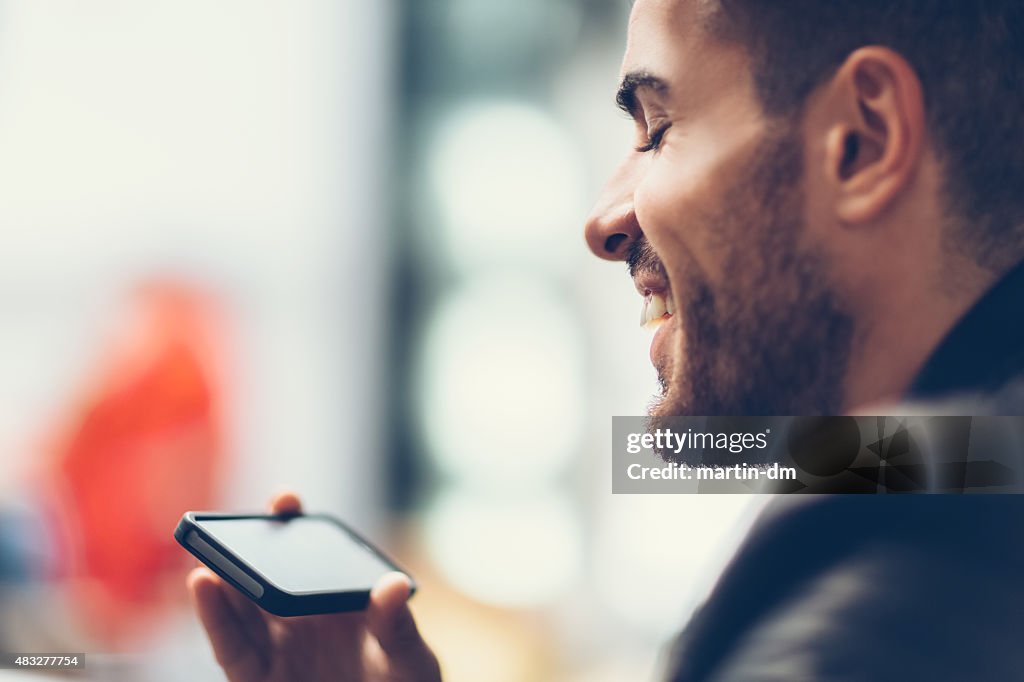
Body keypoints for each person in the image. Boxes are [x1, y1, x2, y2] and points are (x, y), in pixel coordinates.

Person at [188, 1, 1024, 679]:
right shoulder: (960, 481)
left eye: (657, 127)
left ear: (864, 141)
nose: (603, 221)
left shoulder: (886, 611)